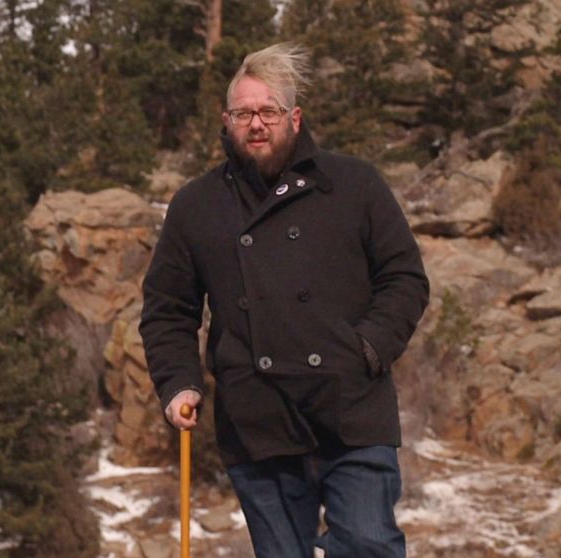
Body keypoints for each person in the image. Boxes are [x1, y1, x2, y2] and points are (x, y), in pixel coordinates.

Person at [139, 42, 429, 558]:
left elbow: (404, 277)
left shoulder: (352, 184)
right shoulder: (196, 205)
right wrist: (178, 383)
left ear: (294, 117)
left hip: (351, 409)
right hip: (258, 420)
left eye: (268, 111)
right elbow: (168, 309)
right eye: (244, 113)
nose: (256, 124)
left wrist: (367, 348)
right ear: (226, 120)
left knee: (369, 545)